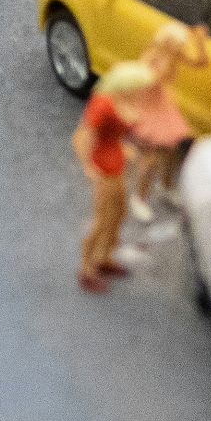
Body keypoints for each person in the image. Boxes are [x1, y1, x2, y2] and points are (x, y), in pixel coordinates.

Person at [73, 61, 155, 293]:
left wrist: (126, 148)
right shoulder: (104, 103)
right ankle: (86, 268)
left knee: (118, 213)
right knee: (102, 220)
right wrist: (89, 167)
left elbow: (117, 131)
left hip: (115, 162)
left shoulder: (125, 101)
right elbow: (82, 136)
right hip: (104, 168)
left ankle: (104, 257)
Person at [129, 21, 210, 220]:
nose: (181, 48)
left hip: (163, 103)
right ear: (167, 43)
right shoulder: (151, 56)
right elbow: (146, 81)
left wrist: (200, 42)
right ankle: (139, 198)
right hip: (148, 106)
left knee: (173, 149)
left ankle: (166, 185)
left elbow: (201, 62)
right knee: (151, 158)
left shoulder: (174, 55)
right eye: (177, 44)